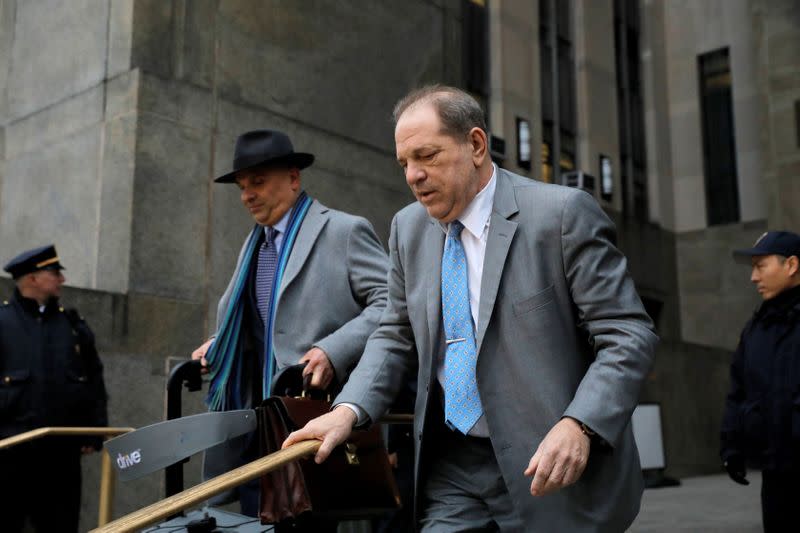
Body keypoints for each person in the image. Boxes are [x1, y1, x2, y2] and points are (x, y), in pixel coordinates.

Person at [284, 85, 658, 531]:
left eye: (427, 156)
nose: (413, 176)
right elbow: (395, 334)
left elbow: (627, 334)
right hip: (453, 468)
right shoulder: (407, 229)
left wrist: (581, 424)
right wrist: (347, 411)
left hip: (551, 468)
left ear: (476, 145)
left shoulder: (561, 216)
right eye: (404, 162)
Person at [192, 129, 389, 527]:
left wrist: (335, 349)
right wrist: (220, 342)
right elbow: (257, 324)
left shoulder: (344, 231)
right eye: (242, 186)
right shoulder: (254, 247)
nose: (247, 194)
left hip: (314, 422)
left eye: (258, 182)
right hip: (258, 431)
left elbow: (392, 304)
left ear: (294, 178)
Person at [0, 244, 108, 533]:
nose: (61, 279)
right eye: (54, 272)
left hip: (61, 455)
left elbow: (93, 379)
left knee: (60, 524)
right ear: (32, 278)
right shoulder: (3, 322)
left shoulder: (71, 325)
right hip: (11, 454)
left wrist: (95, 430)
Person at [720, 230, 800, 533]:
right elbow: (738, 391)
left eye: (761, 266)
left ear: (791, 265)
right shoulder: (755, 330)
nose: (754, 277)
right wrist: (731, 447)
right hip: (776, 470)